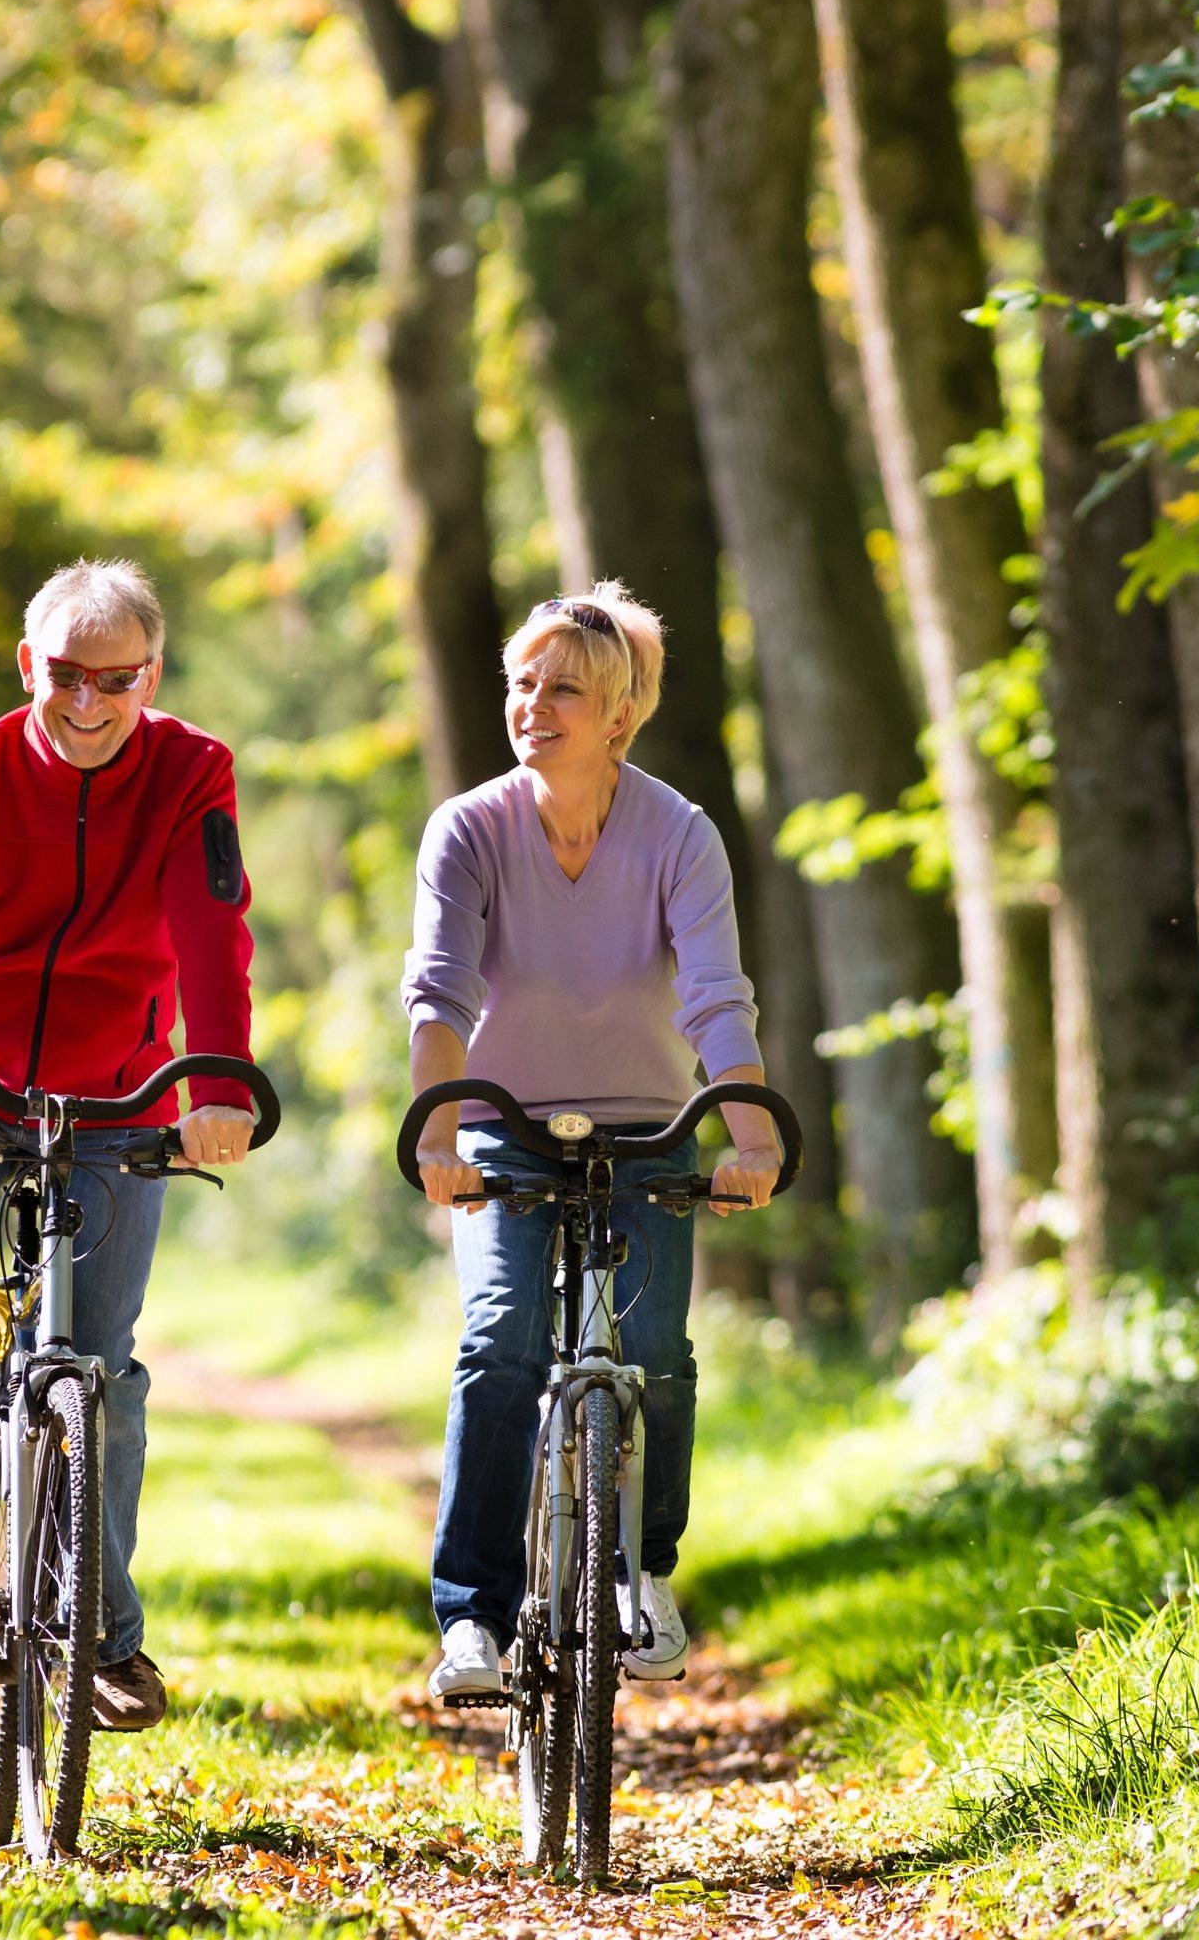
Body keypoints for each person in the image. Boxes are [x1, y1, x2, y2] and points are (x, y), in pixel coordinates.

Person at [0, 558, 258, 1732]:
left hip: (118, 1089)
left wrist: (216, 1081)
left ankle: (104, 1633)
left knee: (101, 1366)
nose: (86, 701)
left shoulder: (188, 770)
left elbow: (210, 931)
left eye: (113, 679)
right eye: (64, 674)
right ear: (29, 665)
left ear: (150, 674)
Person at [401, 582, 781, 1701]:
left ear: (617, 715)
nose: (532, 703)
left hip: (649, 1130)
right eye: (522, 682)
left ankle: (643, 1571)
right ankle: (470, 1615)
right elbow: (437, 993)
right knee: (499, 1340)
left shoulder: (678, 833)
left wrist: (749, 1135)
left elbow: (716, 998)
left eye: (561, 686)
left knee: (655, 1351)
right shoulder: (468, 827)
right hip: (505, 1134)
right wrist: (435, 1129)